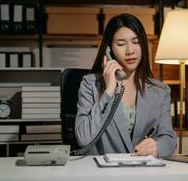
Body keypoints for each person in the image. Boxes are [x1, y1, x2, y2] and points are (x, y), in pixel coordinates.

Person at [75, 13, 176, 158]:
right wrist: (109, 91)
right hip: (103, 174)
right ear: (109, 50)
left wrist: (158, 146)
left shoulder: (160, 91)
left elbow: (169, 138)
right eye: (121, 44)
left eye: (136, 42)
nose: (130, 50)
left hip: (144, 173)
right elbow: (83, 138)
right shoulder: (90, 85)